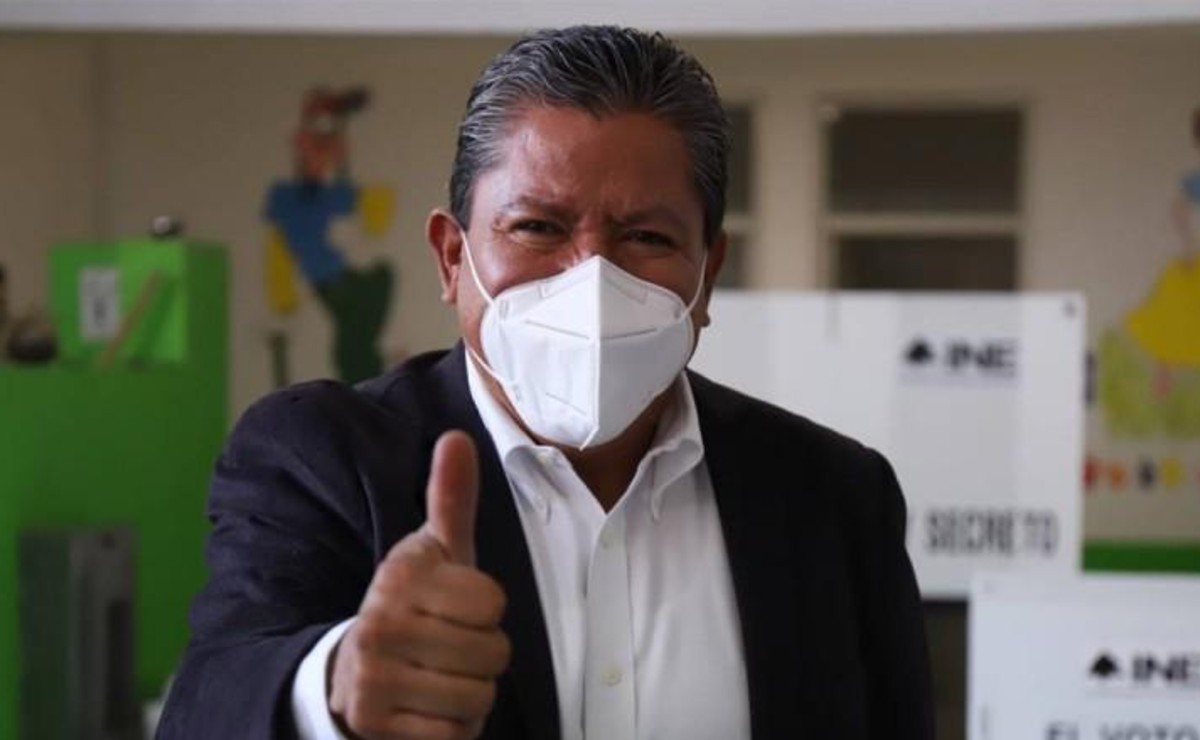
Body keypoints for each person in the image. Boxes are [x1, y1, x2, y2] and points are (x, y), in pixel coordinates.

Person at [158, 25, 933, 740]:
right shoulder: (324, 459)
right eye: (537, 227)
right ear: (451, 257)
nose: (590, 279)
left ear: (709, 272)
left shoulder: (833, 496)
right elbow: (211, 699)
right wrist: (334, 686)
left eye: (647, 236)